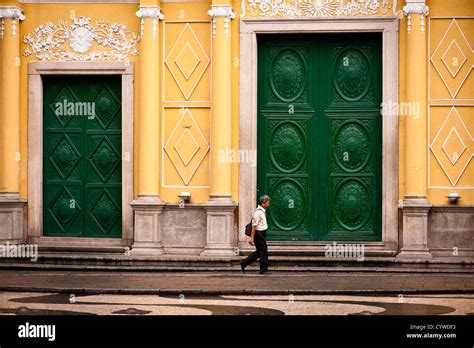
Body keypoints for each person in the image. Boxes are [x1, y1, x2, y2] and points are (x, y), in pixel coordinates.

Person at [240, 195, 271, 275]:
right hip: (259, 234)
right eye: (268, 202)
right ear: (263, 203)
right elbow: (254, 226)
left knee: (259, 252)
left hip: (261, 234)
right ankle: (263, 269)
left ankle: (244, 262)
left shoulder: (261, 212)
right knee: (263, 252)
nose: (269, 204)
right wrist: (252, 238)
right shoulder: (258, 213)